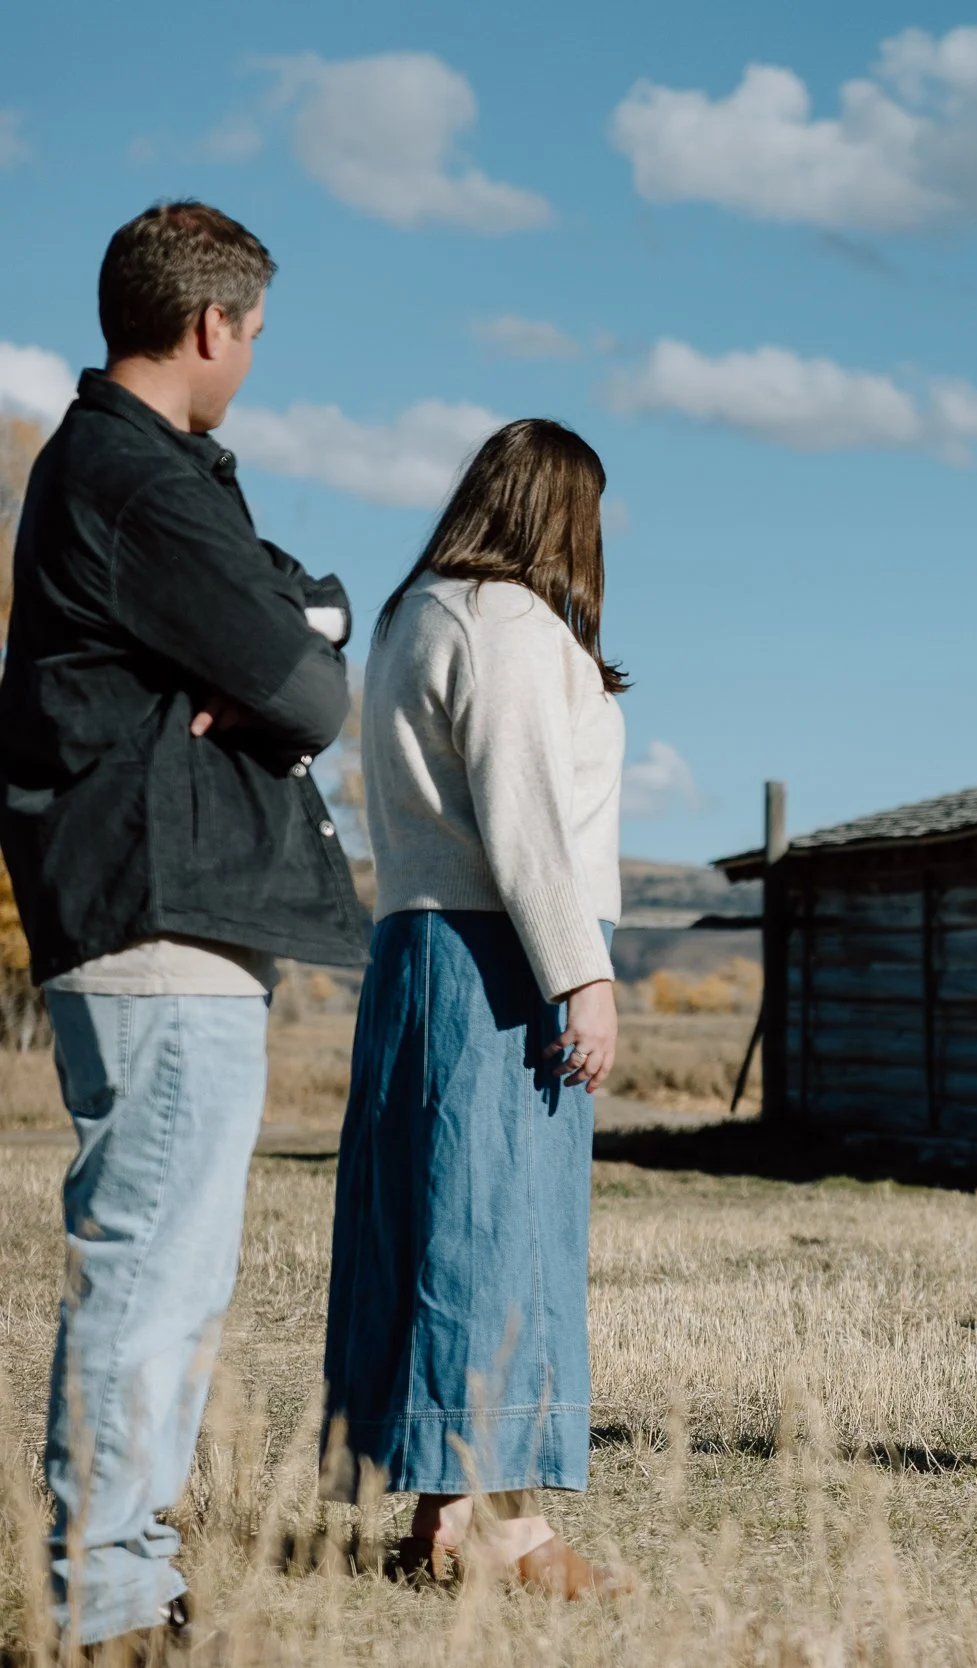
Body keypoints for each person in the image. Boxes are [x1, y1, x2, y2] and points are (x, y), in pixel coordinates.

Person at [0, 201, 365, 1659]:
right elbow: (314, 686)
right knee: (154, 1263)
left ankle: (125, 1577)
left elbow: (304, 616)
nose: (254, 360)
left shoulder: (128, 476)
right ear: (212, 325)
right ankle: (102, 1601)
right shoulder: (140, 484)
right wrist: (282, 653)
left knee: (167, 1263)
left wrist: (291, 630)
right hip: (158, 914)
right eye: (257, 335)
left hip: (157, 909)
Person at [320, 419, 632, 1599]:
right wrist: (580, 974)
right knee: (496, 1237)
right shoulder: (499, 620)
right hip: (501, 947)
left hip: (419, 943)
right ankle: (504, 1529)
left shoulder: (415, 615)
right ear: (561, 512)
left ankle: (445, 1513)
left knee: (441, 1227)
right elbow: (523, 817)